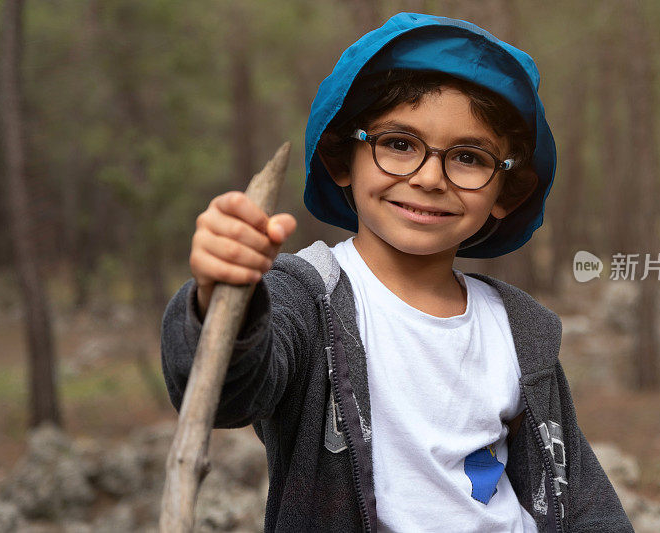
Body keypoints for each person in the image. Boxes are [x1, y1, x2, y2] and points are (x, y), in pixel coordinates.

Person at [161, 12, 633, 533]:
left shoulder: (517, 329)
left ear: (506, 192)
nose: (430, 178)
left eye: (470, 157)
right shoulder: (306, 297)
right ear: (344, 158)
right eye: (399, 144)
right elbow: (228, 393)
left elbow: (581, 498)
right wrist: (222, 294)